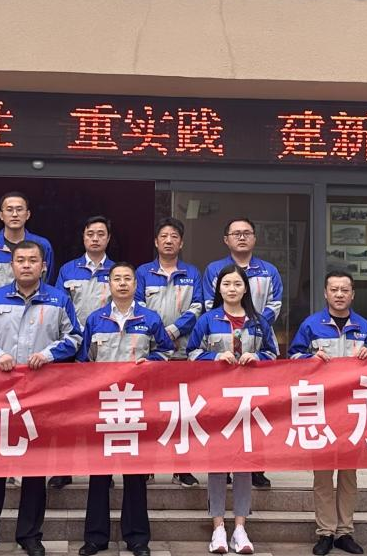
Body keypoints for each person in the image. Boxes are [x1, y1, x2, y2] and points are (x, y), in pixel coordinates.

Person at [0, 241, 82, 556]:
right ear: (12, 266)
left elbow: (75, 337)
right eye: (21, 260)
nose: (27, 265)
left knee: (35, 468)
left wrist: (48, 354)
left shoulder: (58, 300)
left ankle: (30, 535)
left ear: (44, 266)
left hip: (39, 396)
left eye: (33, 260)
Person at [79, 262, 173, 556]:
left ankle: (138, 538)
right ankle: (95, 537)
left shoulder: (150, 318)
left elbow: (166, 351)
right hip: (103, 406)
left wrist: (151, 362)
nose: (122, 283)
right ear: (108, 284)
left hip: (136, 405)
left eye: (127, 279)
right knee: (99, 475)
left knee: (135, 475)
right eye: (116, 279)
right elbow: (83, 361)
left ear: (135, 284)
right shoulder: (95, 319)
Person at [287, 270, 367, 556]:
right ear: (325, 293)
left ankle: (345, 532)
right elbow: (292, 358)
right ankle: (325, 532)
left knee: (349, 475)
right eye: (334, 289)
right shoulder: (311, 325)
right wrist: (310, 358)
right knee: (323, 474)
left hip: (353, 409)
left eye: (345, 290)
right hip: (322, 408)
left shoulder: (364, 327)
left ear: (353, 294)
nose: (339, 294)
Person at [188, 264, 277, 555]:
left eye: (237, 284)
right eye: (226, 284)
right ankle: (218, 528)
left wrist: (258, 356)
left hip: (248, 404)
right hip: (215, 402)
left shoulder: (259, 321)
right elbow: (191, 353)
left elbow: (274, 354)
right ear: (219, 288)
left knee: (243, 465)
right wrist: (214, 357)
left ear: (245, 288)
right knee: (217, 465)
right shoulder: (207, 320)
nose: (232, 289)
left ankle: (240, 527)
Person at [203, 218, 282, 489]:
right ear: (226, 239)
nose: (241, 237)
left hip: (255, 351)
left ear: (255, 238)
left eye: (247, 233)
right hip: (221, 356)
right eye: (236, 233)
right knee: (221, 416)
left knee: (255, 415)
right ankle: (222, 466)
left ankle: (255, 468)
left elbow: (275, 304)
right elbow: (208, 304)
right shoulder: (214, 269)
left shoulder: (269, 270)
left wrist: (254, 323)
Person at [134, 217, 205, 488]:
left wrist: (173, 331)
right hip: (150, 352)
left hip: (182, 352)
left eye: (174, 236)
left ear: (181, 243)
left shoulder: (192, 272)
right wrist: (159, 334)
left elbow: (197, 307)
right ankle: (146, 466)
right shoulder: (143, 272)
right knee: (148, 410)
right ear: (155, 241)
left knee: (182, 412)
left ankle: (182, 468)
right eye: (163, 236)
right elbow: (138, 306)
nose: (168, 241)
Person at [49, 217, 112, 490]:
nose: (95, 238)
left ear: (108, 238)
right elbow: (58, 308)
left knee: (103, 411)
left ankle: (103, 472)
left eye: (100, 234)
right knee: (67, 413)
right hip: (71, 349)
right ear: (83, 237)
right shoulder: (68, 270)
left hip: (104, 349)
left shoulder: (117, 271)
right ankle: (64, 469)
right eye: (90, 234)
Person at [0, 191, 55, 302]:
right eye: (9, 210)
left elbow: (48, 285)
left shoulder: (42, 245)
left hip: (32, 310)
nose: (15, 214)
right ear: (1, 215)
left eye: (19, 209)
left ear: (28, 214)